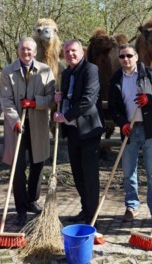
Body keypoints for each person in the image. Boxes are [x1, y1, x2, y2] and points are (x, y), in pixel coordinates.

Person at [108, 44, 152, 225]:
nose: (126, 59)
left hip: (150, 129)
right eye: (122, 56)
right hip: (129, 130)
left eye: (129, 55)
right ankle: (132, 206)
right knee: (129, 172)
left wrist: (150, 98)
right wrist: (121, 123)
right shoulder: (116, 79)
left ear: (136, 57)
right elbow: (113, 108)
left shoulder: (149, 73)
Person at [0, 37, 55, 226]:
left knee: (38, 162)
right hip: (17, 127)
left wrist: (35, 103)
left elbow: (51, 98)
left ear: (35, 52)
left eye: (29, 50)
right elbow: (5, 100)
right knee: (18, 166)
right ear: (18, 51)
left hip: (37, 124)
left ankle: (32, 199)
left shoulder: (46, 71)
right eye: (23, 49)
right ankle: (20, 208)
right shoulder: (7, 72)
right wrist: (14, 120)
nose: (26, 53)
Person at [53, 39, 104, 226]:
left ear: (81, 52)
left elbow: (88, 99)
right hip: (72, 131)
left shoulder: (91, 70)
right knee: (78, 174)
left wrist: (65, 115)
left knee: (90, 175)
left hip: (88, 129)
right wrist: (58, 97)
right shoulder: (66, 73)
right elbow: (68, 96)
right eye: (66, 51)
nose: (70, 54)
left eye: (73, 51)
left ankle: (93, 215)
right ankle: (85, 210)